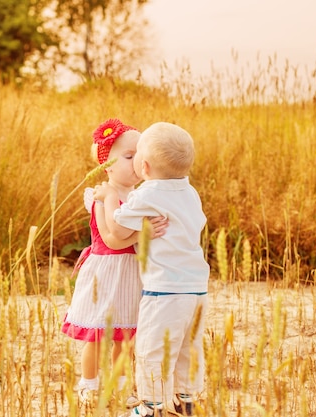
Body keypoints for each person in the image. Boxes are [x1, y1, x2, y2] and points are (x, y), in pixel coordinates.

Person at [93, 122, 210, 417]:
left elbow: (117, 231)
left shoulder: (147, 195)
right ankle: (186, 401)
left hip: (165, 290)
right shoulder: (190, 192)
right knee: (188, 348)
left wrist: (108, 198)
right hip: (196, 288)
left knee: (152, 350)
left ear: (144, 167)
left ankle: (151, 408)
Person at [61, 119, 167, 410]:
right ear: (106, 165)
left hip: (132, 273)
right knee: (97, 335)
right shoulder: (101, 196)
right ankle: (89, 385)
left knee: (125, 336)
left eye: (140, 157)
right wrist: (143, 232)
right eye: (129, 157)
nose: (136, 164)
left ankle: (120, 386)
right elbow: (113, 239)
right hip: (106, 270)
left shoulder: (139, 196)